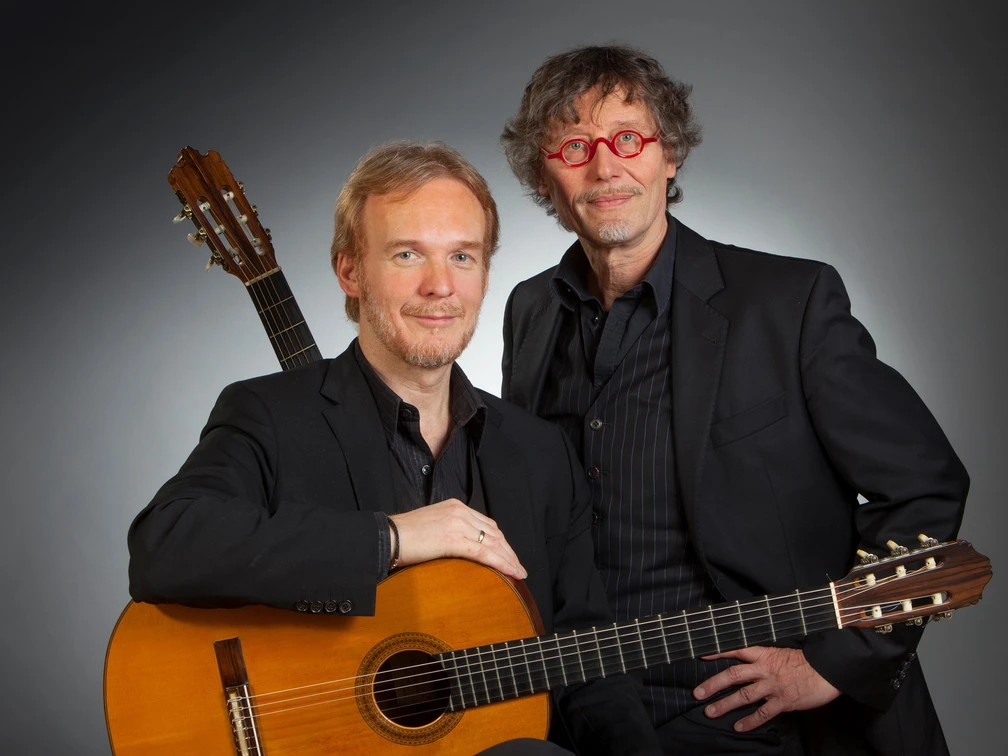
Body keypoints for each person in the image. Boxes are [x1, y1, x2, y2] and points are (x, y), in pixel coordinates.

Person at [500, 44, 968, 756]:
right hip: (582, 714)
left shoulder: (789, 304)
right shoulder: (528, 312)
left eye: (628, 138)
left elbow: (926, 487)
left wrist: (832, 663)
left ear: (670, 156)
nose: (605, 167)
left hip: (755, 719)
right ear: (544, 173)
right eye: (574, 145)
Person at [128, 141, 662, 756]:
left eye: (462, 256)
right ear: (350, 270)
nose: (440, 286)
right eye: (408, 254)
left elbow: (584, 658)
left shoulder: (540, 453)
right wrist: (394, 538)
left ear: (486, 275)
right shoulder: (269, 414)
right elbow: (163, 546)